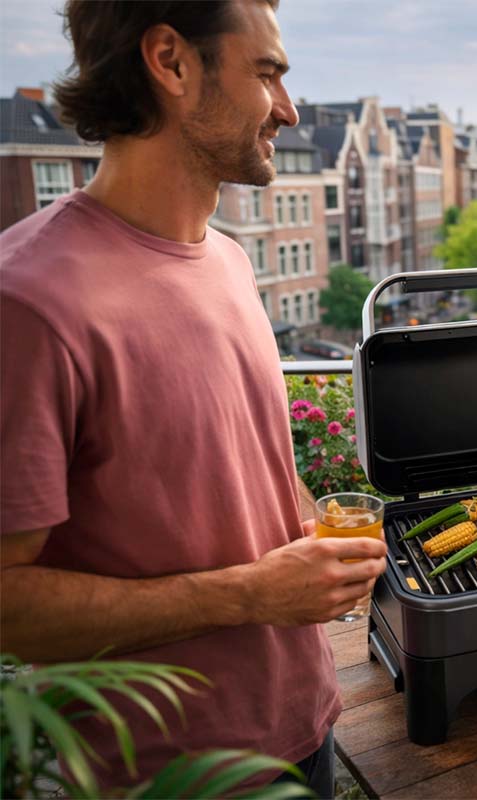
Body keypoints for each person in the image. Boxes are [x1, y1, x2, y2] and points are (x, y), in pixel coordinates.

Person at [0, 1, 388, 794]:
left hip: (303, 729)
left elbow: (239, 467)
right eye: (268, 73)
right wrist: (249, 594)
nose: (287, 108)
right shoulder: (27, 301)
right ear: (171, 61)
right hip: (156, 778)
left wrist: (318, 532)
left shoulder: (231, 263)